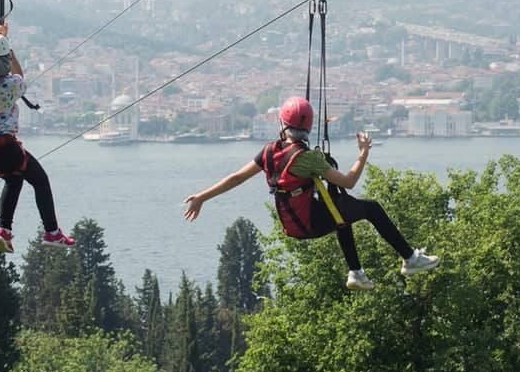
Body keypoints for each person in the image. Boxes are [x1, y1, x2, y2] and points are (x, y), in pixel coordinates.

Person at [184, 96, 438, 290]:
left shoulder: (269, 152)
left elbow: (236, 178)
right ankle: (409, 258)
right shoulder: (307, 158)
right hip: (309, 223)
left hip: (292, 223)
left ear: (282, 124)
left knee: (341, 206)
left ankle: (356, 272)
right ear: (308, 127)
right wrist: (363, 153)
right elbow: (349, 180)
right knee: (371, 208)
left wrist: (201, 197)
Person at [0, 22, 74, 253]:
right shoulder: (11, 85)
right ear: (6, 59)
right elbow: (18, 74)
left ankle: (3, 231)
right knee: (40, 181)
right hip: (6, 152)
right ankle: (52, 232)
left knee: (14, 180)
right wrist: (8, 48)